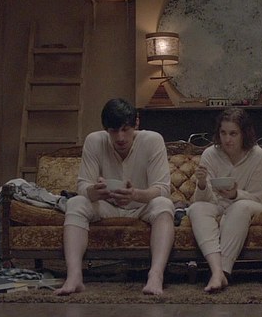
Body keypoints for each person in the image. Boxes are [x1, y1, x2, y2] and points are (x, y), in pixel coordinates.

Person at [54, 98, 175, 295]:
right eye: (114, 131)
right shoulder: (94, 141)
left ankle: (155, 275)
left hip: (141, 206)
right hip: (107, 205)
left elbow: (162, 189)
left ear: (136, 123)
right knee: (76, 203)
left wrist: (136, 194)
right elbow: (83, 186)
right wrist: (94, 191)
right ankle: (74, 276)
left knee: (164, 204)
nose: (120, 137)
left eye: (125, 129)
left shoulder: (152, 140)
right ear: (106, 129)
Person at [188, 107, 262, 292]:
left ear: (244, 134)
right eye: (223, 133)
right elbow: (203, 200)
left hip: (250, 205)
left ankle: (223, 270)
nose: (227, 139)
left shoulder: (258, 156)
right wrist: (202, 184)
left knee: (239, 207)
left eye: (233, 134)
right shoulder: (210, 154)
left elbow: (256, 196)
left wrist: (235, 195)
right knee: (196, 209)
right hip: (217, 204)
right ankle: (218, 273)